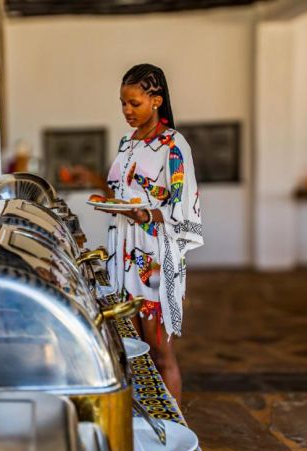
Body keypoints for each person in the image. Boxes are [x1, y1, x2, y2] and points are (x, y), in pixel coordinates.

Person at [98, 64, 203, 401]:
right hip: (124, 253)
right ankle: (145, 421)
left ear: (156, 101)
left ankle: (175, 424)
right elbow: (124, 192)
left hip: (155, 257)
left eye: (135, 103)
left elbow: (184, 207)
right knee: (132, 352)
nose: (127, 110)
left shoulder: (173, 145)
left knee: (160, 354)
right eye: (123, 103)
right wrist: (111, 201)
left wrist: (146, 213)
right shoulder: (127, 144)